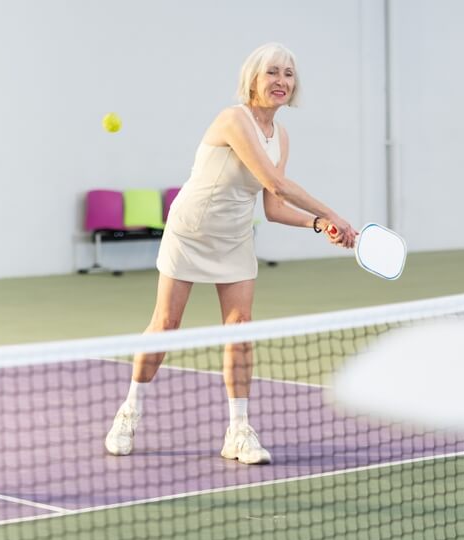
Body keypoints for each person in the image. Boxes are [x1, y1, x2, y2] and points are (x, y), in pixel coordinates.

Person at [105, 42, 356, 464]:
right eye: (272, 73)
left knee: (240, 327)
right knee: (166, 324)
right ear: (253, 80)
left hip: (236, 237)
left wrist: (319, 224)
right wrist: (334, 213)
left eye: (289, 74)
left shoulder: (282, 137)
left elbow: (273, 208)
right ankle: (129, 412)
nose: (281, 81)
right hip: (191, 230)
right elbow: (277, 186)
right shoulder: (233, 119)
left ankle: (238, 431)